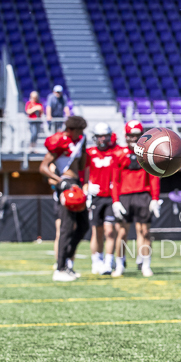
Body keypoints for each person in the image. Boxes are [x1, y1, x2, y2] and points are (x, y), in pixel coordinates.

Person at [39, 116, 88, 282]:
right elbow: (43, 167)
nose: (82, 133)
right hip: (66, 184)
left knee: (83, 226)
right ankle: (59, 268)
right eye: (80, 130)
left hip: (77, 184)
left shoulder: (80, 141)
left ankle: (67, 262)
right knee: (66, 228)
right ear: (71, 130)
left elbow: (81, 166)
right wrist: (60, 182)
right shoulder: (59, 141)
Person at [112, 120, 161, 277]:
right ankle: (119, 264)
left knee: (144, 232)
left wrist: (154, 198)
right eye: (131, 136)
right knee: (121, 233)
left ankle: (145, 263)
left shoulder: (148, 154)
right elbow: (115, 180)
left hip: (142, 195)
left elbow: (154, 177)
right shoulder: (119, 154)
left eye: (137, 135)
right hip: (125, 196)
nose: (134, 139)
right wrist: (115, 201)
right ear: (126, 136)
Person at [86, 123, 121, 275]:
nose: (102, 139)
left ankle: (108, 261)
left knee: (109, 231)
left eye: (105, 136)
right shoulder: (89, 153)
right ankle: (96, 261)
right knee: (96, 231)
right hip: (95, 197)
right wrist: (86, 188)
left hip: (111, 197)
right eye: (99, 136)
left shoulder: (116, 152)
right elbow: (82, 173)